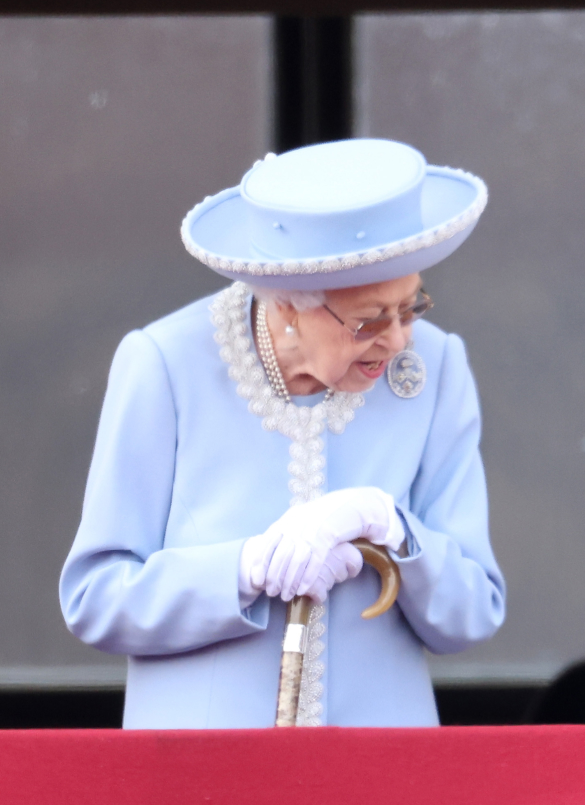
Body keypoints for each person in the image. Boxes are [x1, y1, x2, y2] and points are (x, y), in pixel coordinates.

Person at [60, 138, 507, 728]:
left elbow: (473, 613)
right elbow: (96, 599)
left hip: (378, 774)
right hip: (204, 774)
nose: (398, 341)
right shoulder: (165, 363)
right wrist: (244, 569)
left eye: (411, 306)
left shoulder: (436, 368)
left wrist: (394, 530)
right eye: (370, 319)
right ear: (287, 304)